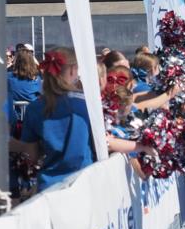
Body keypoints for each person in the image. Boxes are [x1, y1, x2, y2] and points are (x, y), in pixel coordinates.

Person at [12, 48, 149, 192]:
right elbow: (105, 142)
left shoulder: (34, 108)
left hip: (48, 188)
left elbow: (30, 154)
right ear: (73, 71)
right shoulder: (87, 104)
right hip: (84, 185)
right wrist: (142, 146)